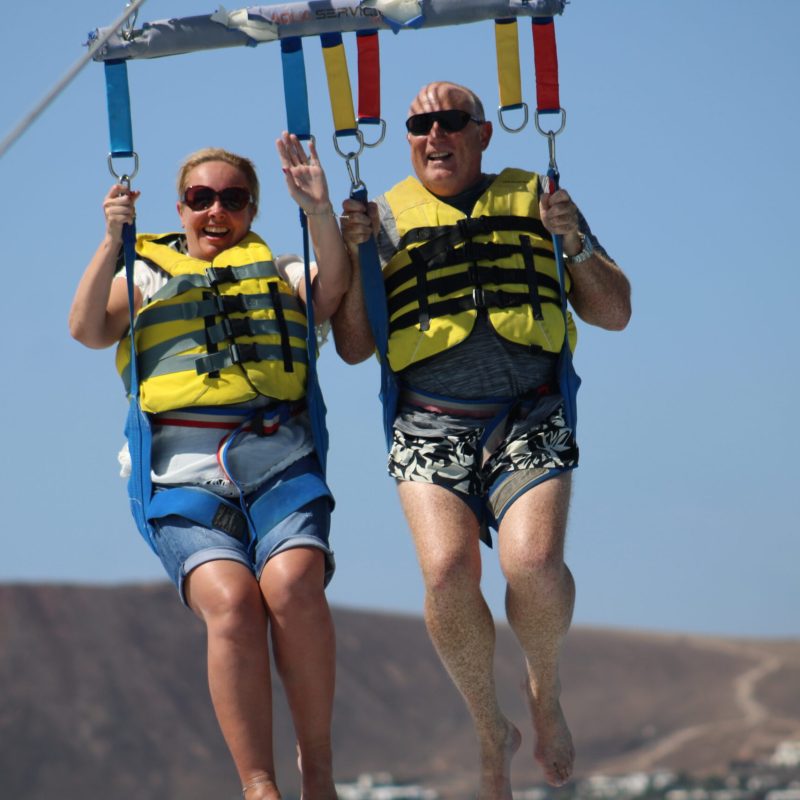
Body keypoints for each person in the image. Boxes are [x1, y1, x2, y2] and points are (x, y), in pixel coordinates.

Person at [332, 81, 631, 797]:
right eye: (419, 125)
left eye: (451, 122)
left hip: (528, 411)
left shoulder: (538, 198)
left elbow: (614, 311)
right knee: (444, 574)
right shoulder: (384, 220)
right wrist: (356, 258)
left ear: (484, 133)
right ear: (406, 137)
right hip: (429, 419)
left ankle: (544, 689)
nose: (435, 136)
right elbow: (350, 347)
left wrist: (574, 239)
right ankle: (486, 727)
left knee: (532, 564)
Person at [69, 136, 349, 800]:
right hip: (182, 472)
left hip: (278, 460)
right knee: (230, 604)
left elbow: (333, 290)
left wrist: (319, 213)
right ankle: (259, 787)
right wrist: (112, 241)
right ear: (181, 206)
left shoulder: (280, 271)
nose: (215, 212)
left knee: (294, 588)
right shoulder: (142, 275)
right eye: (201, 199)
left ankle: (320, 772)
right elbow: (85, 328)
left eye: (232, 199)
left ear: (251, 210)